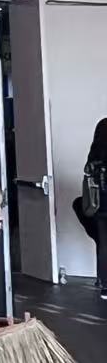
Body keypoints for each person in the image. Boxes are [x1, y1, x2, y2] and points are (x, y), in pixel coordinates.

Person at [75, 116, 107, 300]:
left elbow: (88, 166)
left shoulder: (103, 125)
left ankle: (105, 286)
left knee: (104, 243)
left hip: (101, 201)